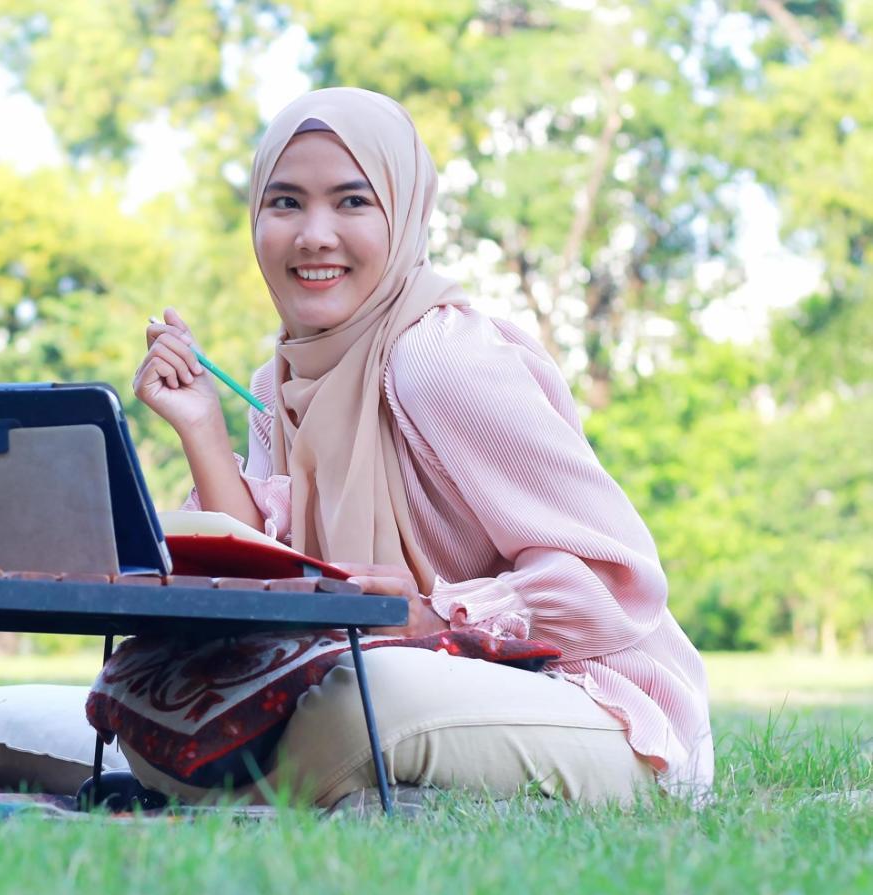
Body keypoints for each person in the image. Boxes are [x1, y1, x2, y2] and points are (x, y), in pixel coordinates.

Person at [118, 87, 713, 808]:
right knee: (144, 681)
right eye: (284, 202)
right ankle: (314, 797)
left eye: (352, 201)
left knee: (357, 706)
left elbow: (612, 582)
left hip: (599, 706)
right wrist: (202, 429)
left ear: (405, 215)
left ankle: (256, 795)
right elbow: (262, 583)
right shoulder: (277, 380)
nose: (313, 234)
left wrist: (434, 615)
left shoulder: (437, 359)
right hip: (400, 681)